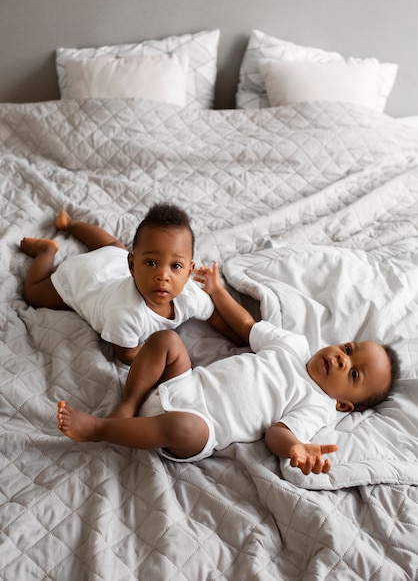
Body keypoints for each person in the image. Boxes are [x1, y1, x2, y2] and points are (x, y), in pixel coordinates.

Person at [56, 262, 400, 475]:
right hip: (185, 383)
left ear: (343, 404)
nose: (343, 359)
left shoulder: (318, 404)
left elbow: (278, 434)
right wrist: (218, 291)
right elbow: (247, 326)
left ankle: (100, 429)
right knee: (166, 341)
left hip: (204, 427)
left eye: (353, 373)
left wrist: (296, 448)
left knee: (182, 427)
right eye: (349, 349)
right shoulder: (294, 346)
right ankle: (127, 405)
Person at [20, 203, 243, 365]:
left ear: (189, 272)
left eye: (175, 266)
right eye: (151, 262)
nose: (163, 275)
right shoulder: (125, 314)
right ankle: (47, 250)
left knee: (112, 245)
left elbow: (215, 316)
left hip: (114, 261)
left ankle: (71, 223)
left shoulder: (191, 295)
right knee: (33, 293)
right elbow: (127, 354)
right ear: (133, 265)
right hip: (85, 279)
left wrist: (242, 343)